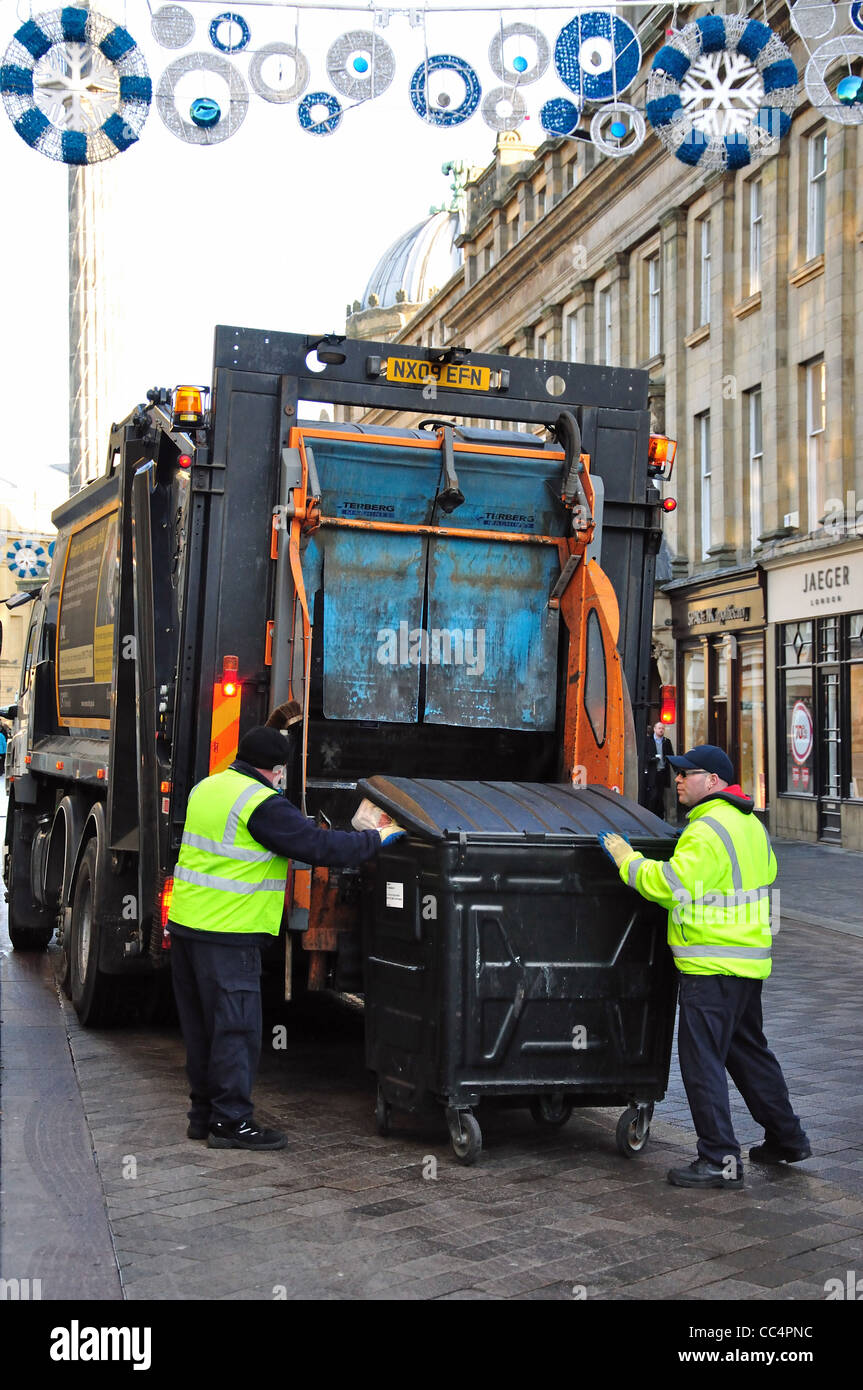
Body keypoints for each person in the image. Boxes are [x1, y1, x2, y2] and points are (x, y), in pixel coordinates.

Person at [168, 725, 404, 1151]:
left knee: (203, 1030)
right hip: (228, 934)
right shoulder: (261, 804)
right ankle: (231, 1123)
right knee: (236, 1031)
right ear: (276, 770)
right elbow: (318, 846)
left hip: (187, 929)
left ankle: (203, 1117)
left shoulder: (207, 787)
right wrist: (377, 839)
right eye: (281, 774)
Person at [598, 744, 810, 1190]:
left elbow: (670, 886)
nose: (677, 780)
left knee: (702, 1063)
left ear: (712, 781)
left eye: (686, 774)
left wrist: (627, 861)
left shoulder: (706, 830)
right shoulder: (750, 824)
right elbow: (761, 880)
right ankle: (788, 1139)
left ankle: (718, 1158)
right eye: (676, 773)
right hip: (747, 964)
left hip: (710, 965)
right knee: (751, 1056)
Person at [642, 719, 673, 818]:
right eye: (659, 728)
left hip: (662, 772)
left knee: (660, 795)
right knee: (653, 795)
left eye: (663, 728)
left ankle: (660, 817)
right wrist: (652, 759)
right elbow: (643, 756)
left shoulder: (666, 741)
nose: (661, 730)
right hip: (652, 772)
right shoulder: (648, 741)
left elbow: (671, 756)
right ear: (654, 729)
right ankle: (651, 816)